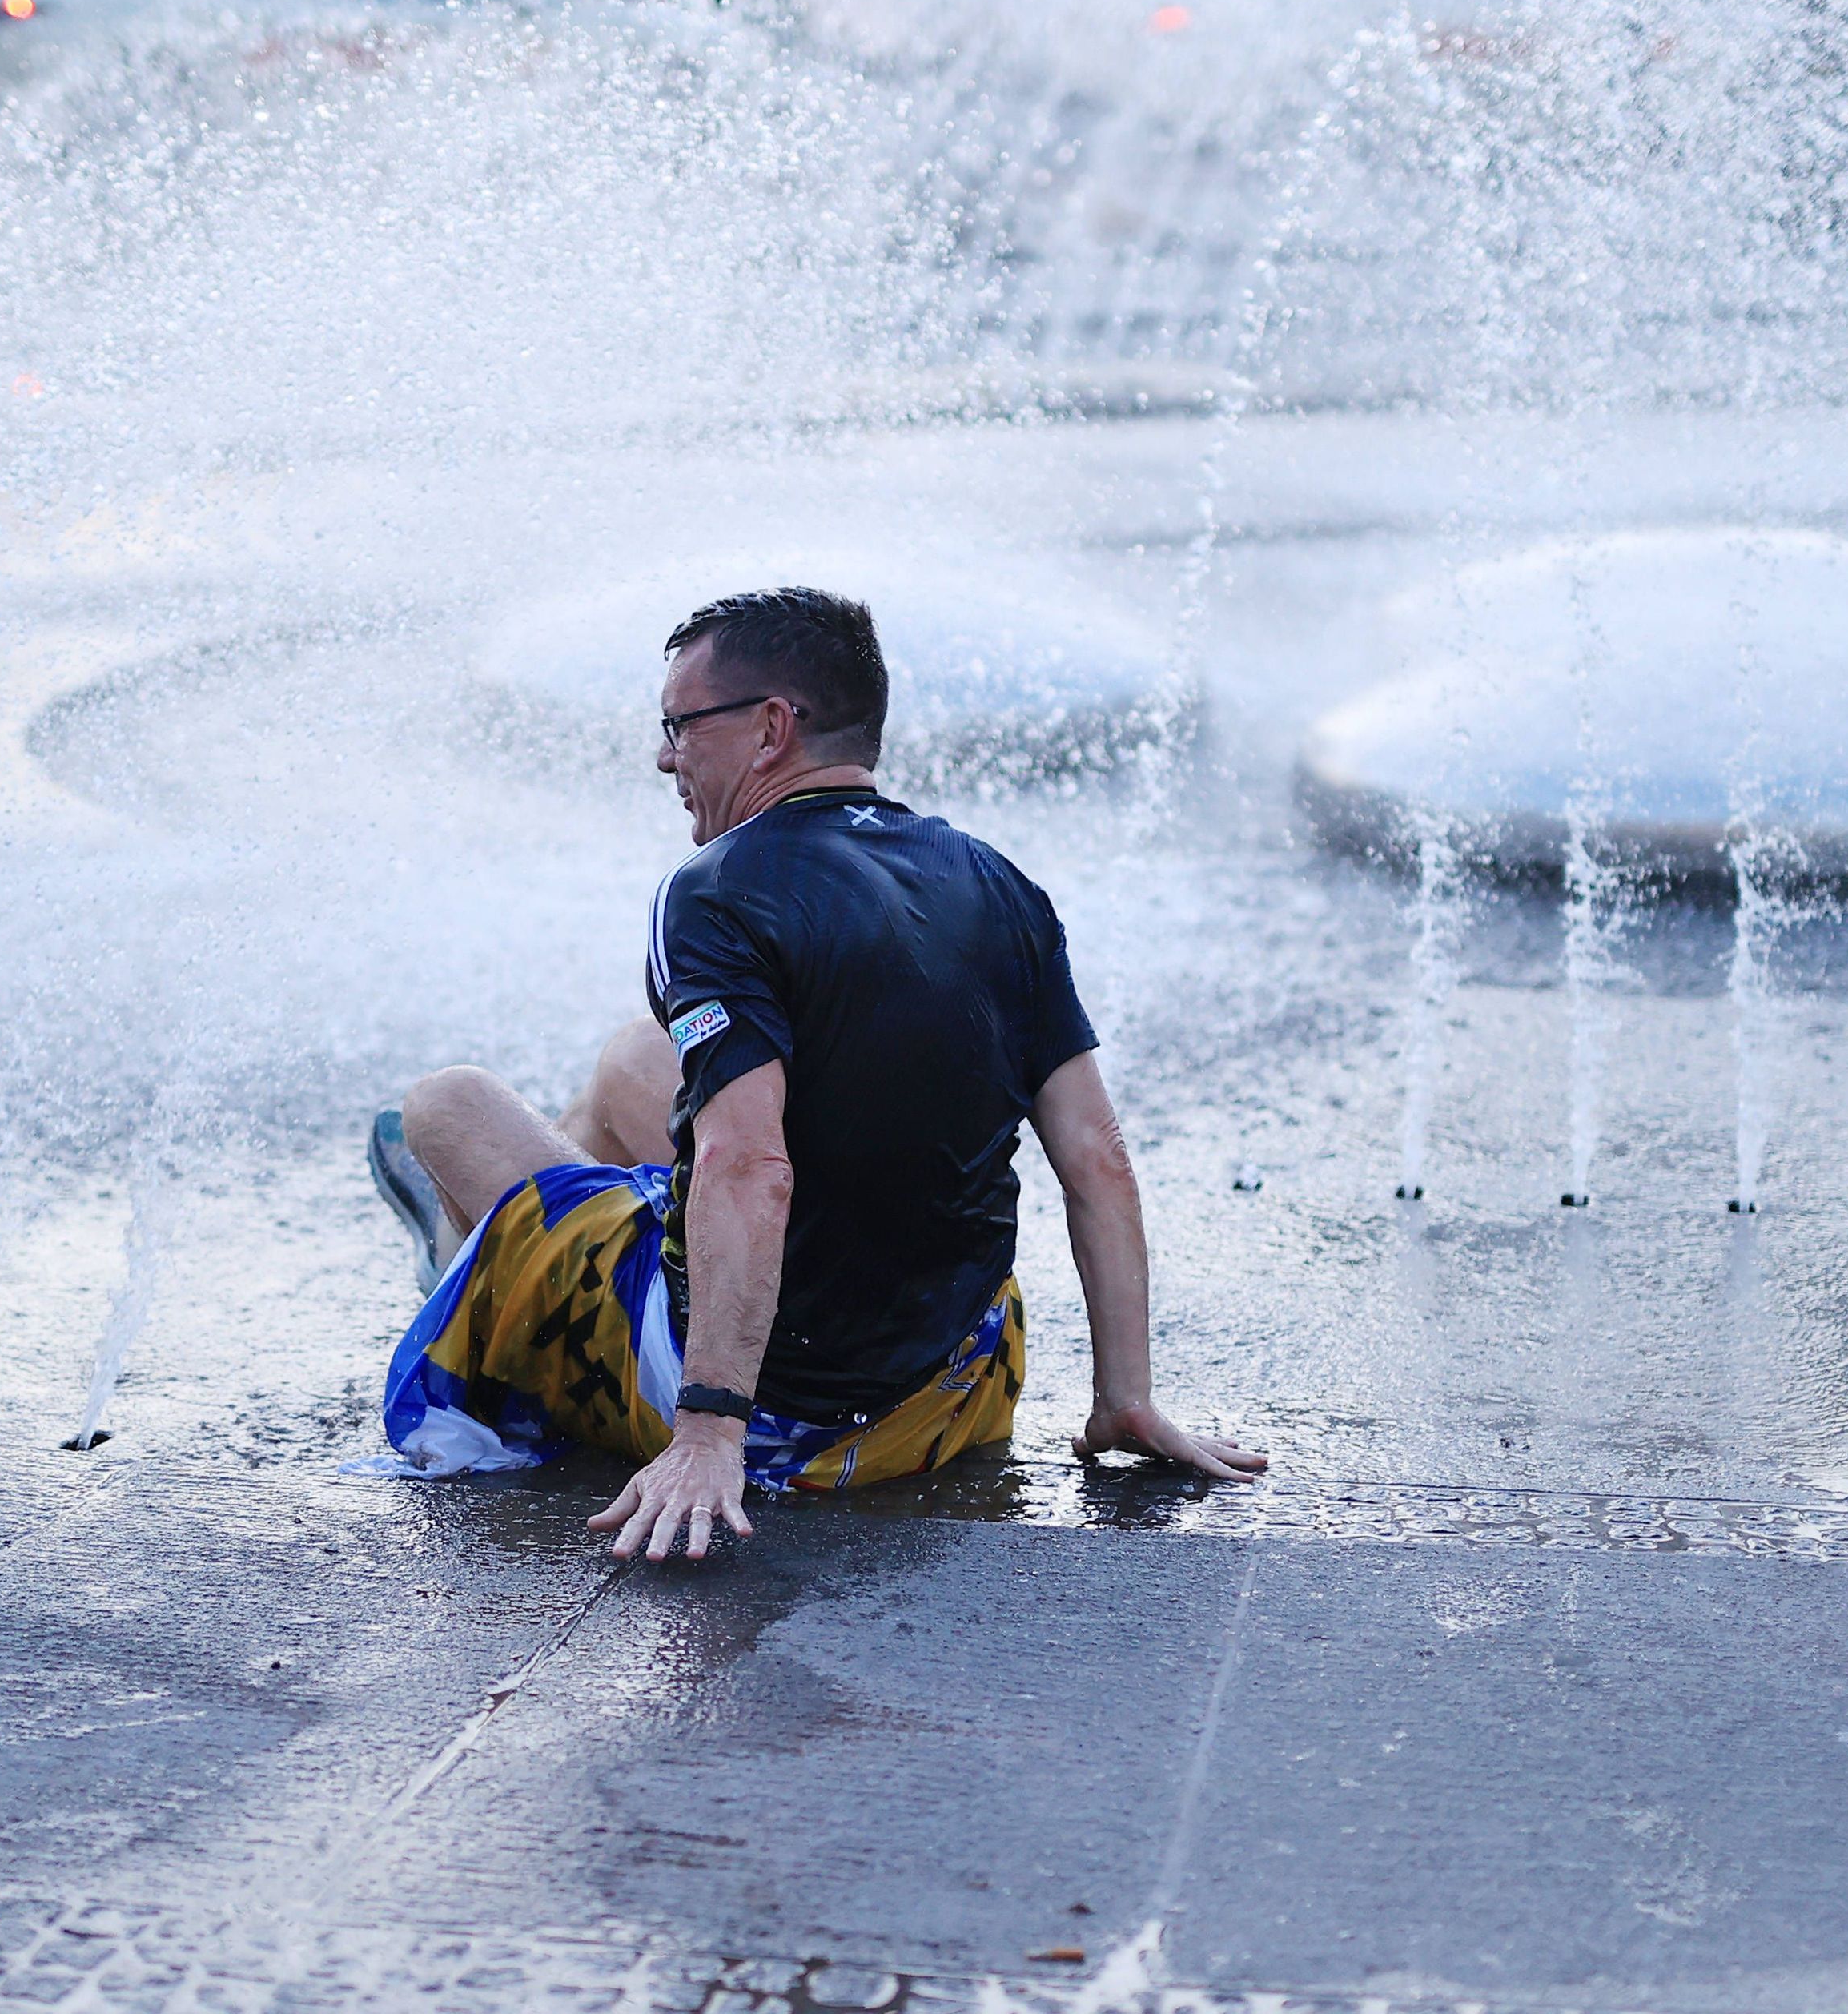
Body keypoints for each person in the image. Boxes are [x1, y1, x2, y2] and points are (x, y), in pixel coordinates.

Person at [368, 585, 1260, 1562]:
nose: (664, 755)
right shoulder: (996, 880)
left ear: (769, 729)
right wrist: (1123, 1398)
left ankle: (481, 1274)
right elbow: (1097, 1156)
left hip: (781, 1427)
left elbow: (753, 1166)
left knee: (445, 1105)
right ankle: (508, 1250)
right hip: (954, 1391)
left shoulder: (713, 894)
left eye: (679, 725)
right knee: (635, 1061)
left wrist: (708, 1431)